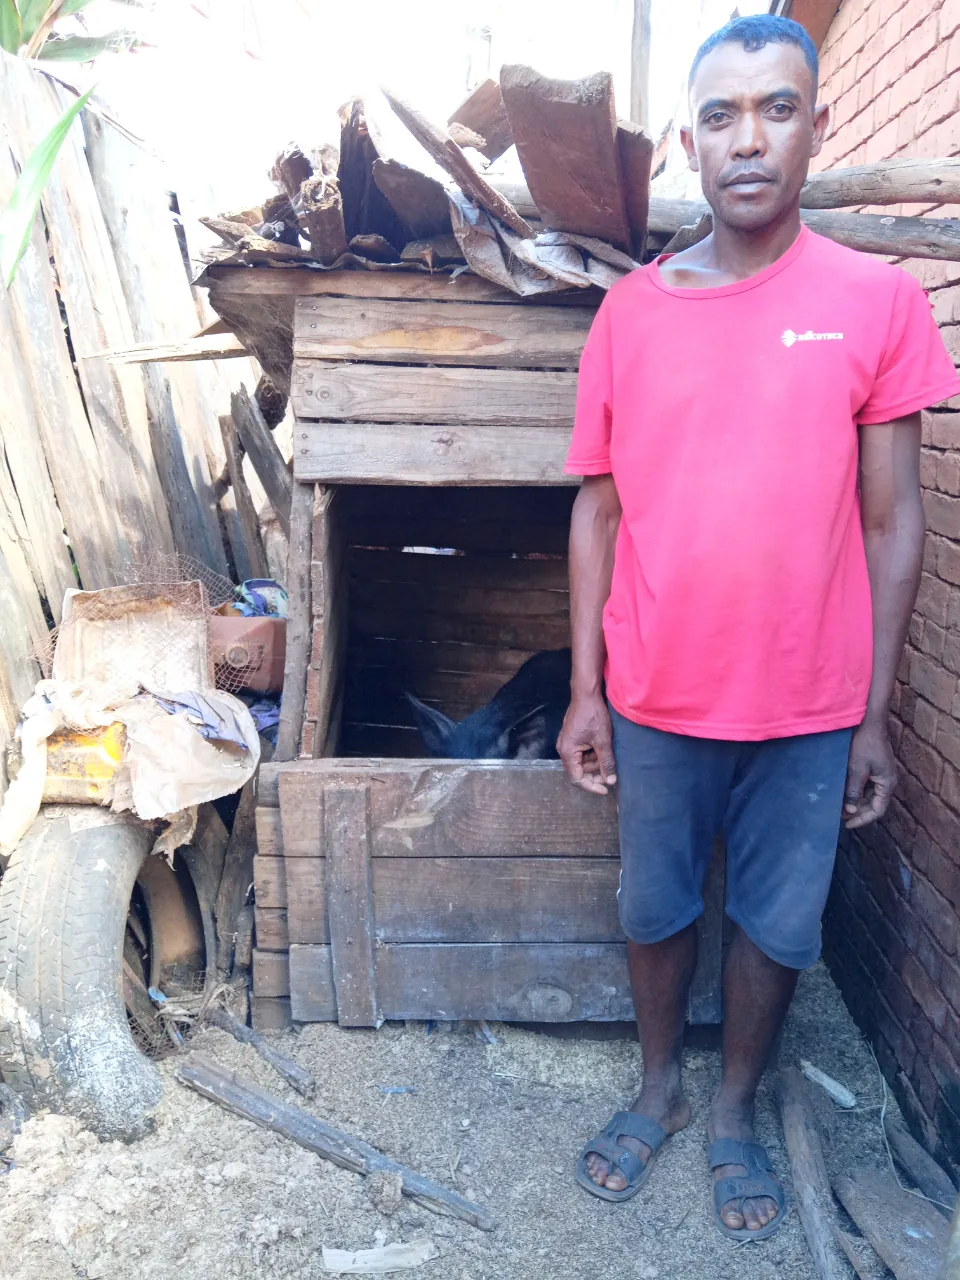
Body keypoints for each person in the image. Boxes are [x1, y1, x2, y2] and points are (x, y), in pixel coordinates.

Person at [558, 13, 960, 1241]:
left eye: (777, 109)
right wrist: (586, 688)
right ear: (689, 142)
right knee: (655, 905)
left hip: (810, 704)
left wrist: (875, 712)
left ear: (816, 127)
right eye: (721, 116)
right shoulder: (631, 314)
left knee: (781, 923)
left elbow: (893, 520)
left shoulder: (877, 301)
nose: (749, 139)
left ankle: (734, 1103)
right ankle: (661, 1085)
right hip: (656, 690)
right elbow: (597, 509)